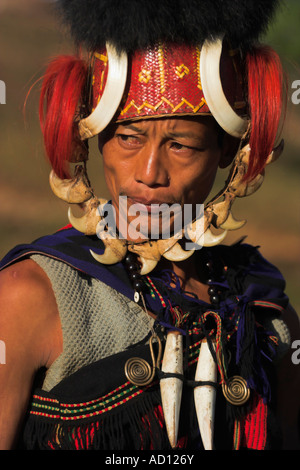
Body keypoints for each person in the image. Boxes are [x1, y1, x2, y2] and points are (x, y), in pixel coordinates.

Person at [0, 0, 299, 450]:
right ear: (95, 139)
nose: (149, 173)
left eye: (181, 146)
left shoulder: (264, 311)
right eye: (128, 138)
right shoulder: (32, 295)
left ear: (225, 154)